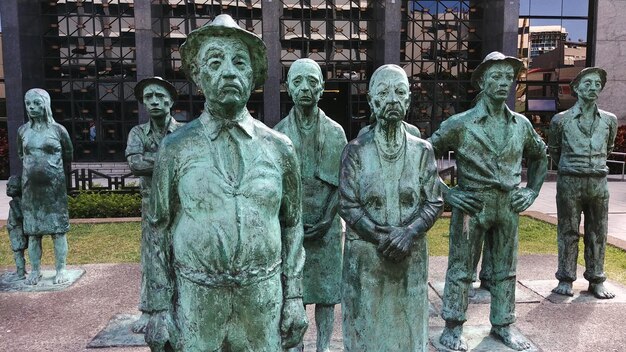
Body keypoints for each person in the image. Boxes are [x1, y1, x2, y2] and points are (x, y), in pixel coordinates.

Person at [144, 14, 308, 351]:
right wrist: (159, 307)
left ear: (252, 75)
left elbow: (293, 225)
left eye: (239, 62)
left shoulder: (279, 148)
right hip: (198, 298)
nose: (228, 71)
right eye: (215, 62)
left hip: (263, 298)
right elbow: (157, 228)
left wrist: (294, 296)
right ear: (199, 76)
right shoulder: (175, 148)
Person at [430, 52, 547, 351]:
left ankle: (503, 324)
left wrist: (531, 191)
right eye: (496, 76)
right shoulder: (461, 123)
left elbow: (539, 156)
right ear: (482, 81)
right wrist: (448, 193)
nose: (503, 83)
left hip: (507, 205)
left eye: (508, 78)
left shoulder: (520, 125)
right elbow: (423, 155)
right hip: (473, 205)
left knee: (506, 268)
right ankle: (453, 326)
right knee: (461, 267)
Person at [339, 64, 443, 351]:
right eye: (383, 93)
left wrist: (409, 233)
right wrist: (380, 236)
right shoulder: (355, 150)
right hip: (366, 258)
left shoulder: (423, 150)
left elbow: (434, 200)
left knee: (409, 330)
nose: (392, 99)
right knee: (365, 327)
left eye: (400, 92)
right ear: (372, 102)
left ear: (408, 101)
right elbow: (347, 204)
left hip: (411, 256)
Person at [274, 58, 346, 352]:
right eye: (298, 81)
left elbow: (343, 184)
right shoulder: (278, 135)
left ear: (322, 88)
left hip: (326, 225)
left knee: (327, 293)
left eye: (312, 81)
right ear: (289, 89)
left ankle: (324, 346)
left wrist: (327, 221)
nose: (305, 87)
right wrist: (293, 222)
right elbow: (275, 189)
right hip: (292, 227)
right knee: (296, 289)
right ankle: (297, 345)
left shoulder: (335, 132)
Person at [549, 67, 617, 299]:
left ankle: (596, 279)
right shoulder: (561, 120)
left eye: (597, 84)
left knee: (598, 231)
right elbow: (555, 151)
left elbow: (608, 148)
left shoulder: (609, 120)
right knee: (567, 230)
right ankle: (566, 278)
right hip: (569, 181)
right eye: (587, 83)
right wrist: (573, 168)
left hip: (598, 182)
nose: (593, 88)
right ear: (576, 88)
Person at [126, 76, 183, 333]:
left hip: (180, 205)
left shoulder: (183, 131)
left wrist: (155, 161)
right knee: (152, 258)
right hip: (151, 206)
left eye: (160, 96)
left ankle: (181, 307)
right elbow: (135, 164)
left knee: (180, 256)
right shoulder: (137, 133)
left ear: (170, 101)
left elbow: (187, 165)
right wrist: (168, 162)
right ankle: (149, 311)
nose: (154, 101)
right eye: (148, 97)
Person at [17, 88, 73, 285]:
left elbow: (68, 154)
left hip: (54, 190)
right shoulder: (23, 131)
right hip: (31, 191)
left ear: (46, 104)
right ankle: (35, 270)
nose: (32, 107)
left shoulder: (58, 131)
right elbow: (21, 154)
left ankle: (61, 269)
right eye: (28, 103)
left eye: (37, 103)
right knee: (33, 233)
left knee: (58, 232)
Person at [6, 175, 28, 281]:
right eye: (8, 186)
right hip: (15, 228)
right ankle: (21, 270)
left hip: (16, 229)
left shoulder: (16, 201)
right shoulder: (18, 200)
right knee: (19, 251)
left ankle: (20, 274)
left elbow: (20, 216)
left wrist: (13, 205)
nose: (9, 189)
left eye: (13, 187)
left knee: (17, 252)